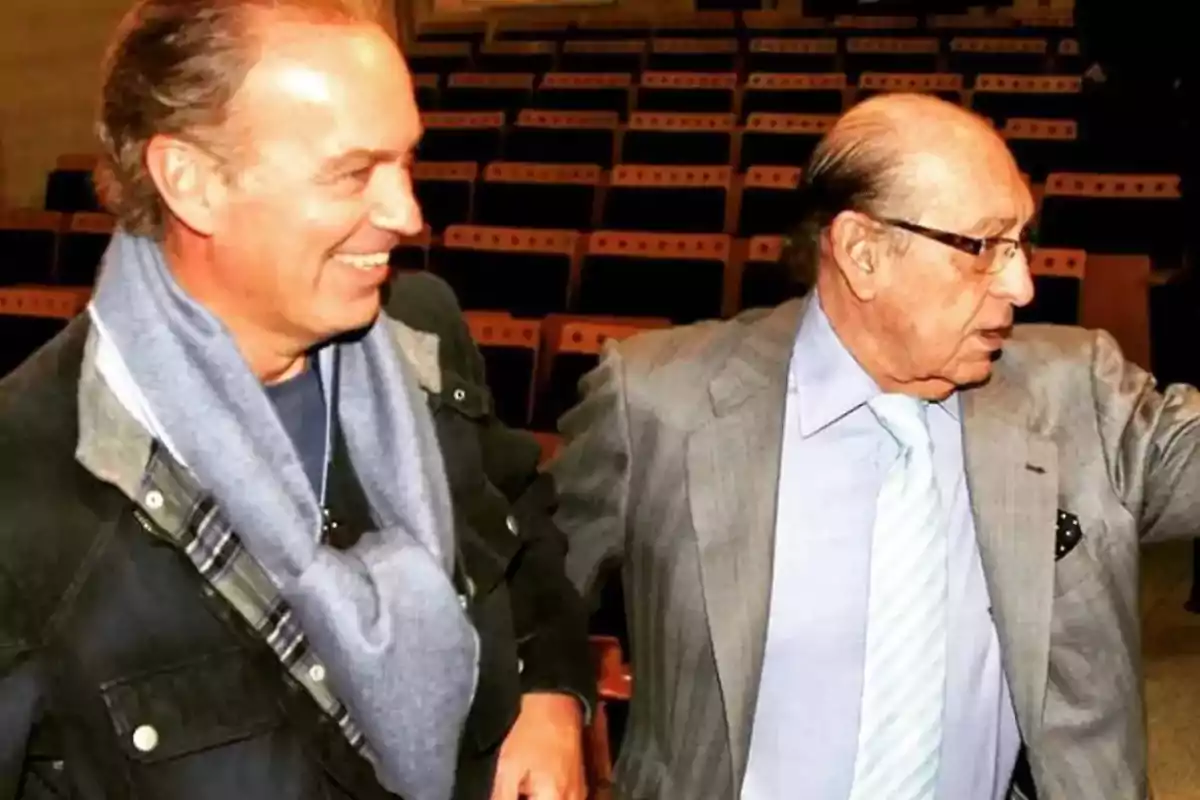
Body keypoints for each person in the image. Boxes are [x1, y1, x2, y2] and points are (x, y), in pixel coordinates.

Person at [0, 1, 592, 799]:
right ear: (193, 182)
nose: (407, 215)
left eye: (406, 162)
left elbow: (525, 526)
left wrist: (549, 690)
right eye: (352, 174)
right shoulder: (22, 488)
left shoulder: (425, 333)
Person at [548, 93, 1200, 800]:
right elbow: (532, 589)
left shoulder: (1077, 395)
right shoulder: (656, 405)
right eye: (984, 247)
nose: (1021, 284)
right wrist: (543, 699)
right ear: (863, 253)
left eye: (1021, 243)